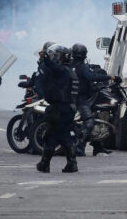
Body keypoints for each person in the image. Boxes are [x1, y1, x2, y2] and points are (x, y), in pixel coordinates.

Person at [36, 44, 79, 173]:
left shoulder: (63, 71)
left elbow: (54, 67)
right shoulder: (68, 71)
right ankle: (71, 164)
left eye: (56, 55)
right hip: (66, 108)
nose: (55, 58)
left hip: (61, 108)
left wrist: (45, 59)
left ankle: (45, 164)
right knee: (62, 136)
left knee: (52, 136)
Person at [70, 43, 118, 156]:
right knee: (89, 122)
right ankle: (79, 147)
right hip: (80, 99)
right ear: (84, 55)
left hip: (72, 97)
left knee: (98, 115)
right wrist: (111, 77)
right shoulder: (82, 67)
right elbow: (92, 77)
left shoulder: (70, 65)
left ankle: (98, 147)